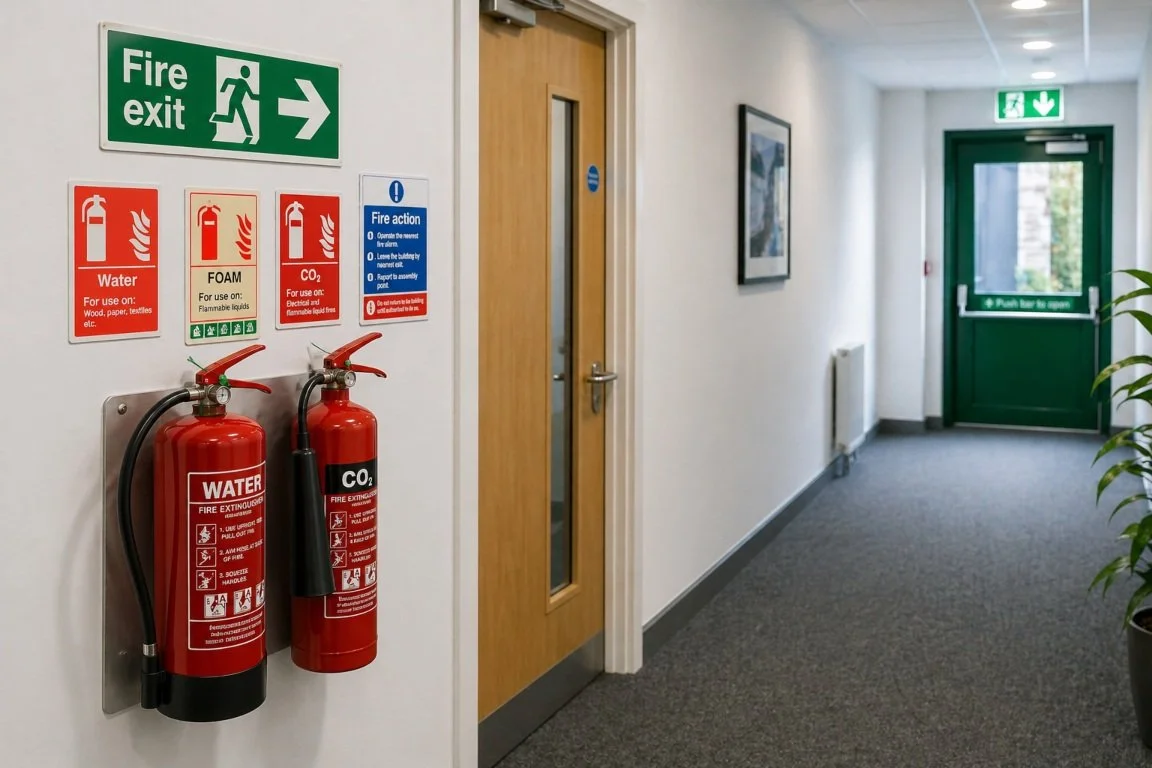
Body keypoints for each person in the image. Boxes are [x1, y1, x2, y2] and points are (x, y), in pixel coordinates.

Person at [211, 65, 256, 144]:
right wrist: (222, 90)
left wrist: (223, 89)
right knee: (243, 117)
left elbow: (251, 95)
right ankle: (249, 134)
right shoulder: (241, 81)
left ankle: (215, 117)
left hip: (233, 101)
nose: (247, 73)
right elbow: (228, 80)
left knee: (230, 118)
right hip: (236, 102)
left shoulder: (243, 82)